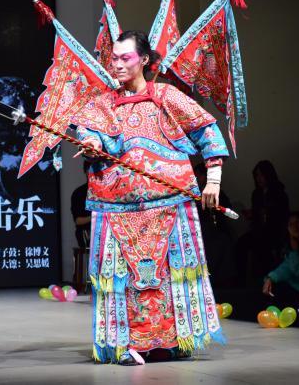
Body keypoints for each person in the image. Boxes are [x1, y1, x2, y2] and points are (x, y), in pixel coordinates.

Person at [72, 30, 229, 365]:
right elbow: (89, 133)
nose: (117, 64)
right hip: (116, 208)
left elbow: (207, 130)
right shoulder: (102, 105)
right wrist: (93, 145)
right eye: (114, 58)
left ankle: (174, 341)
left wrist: (213, 179)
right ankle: (125, 346)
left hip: (169, 203)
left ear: (144, 59)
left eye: (125, 58)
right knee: (122, 279)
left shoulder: (167, 97)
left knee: (172, 275)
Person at [236, 160, 290, 283]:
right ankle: (241, 280)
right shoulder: (257, 193)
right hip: (258, 230)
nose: (259, 178)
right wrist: (252, 214)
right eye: (257, 175)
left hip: (274, 230)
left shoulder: (279, 193)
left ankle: (265, 280)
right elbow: (257, 213)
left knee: (262, 246)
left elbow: (282, 216)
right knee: (241, 244)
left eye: (261, 175)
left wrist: (266, 213)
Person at [70, 162, 91, 248]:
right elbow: (78, 220)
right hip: (87, 233)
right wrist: (96, 216)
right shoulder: (79, 193)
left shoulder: (107, 191)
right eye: (90, 170)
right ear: (86, 172)